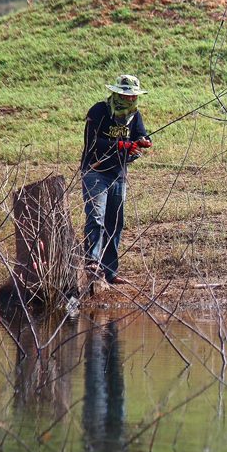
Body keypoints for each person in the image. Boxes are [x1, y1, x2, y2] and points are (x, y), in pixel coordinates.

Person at [80, 74, 151, 292]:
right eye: (126, 96)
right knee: (97, 217)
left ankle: (110, 272)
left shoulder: (134, 115)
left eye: (133, 97)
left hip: (118, 174)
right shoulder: (98, 111)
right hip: (95, 171)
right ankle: (92, 262)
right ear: (117, 94)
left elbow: (141, 135)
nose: (130, 100)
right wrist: (122, 145)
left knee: (115, 223)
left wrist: (143, 142)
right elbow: (93, 143)